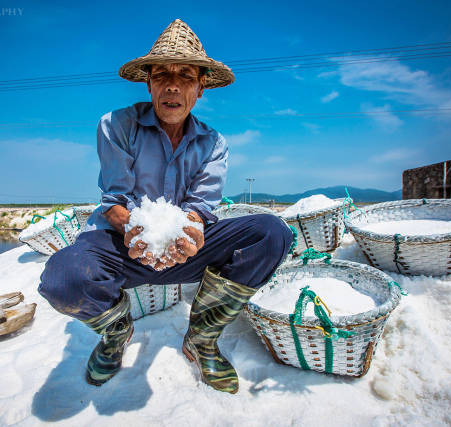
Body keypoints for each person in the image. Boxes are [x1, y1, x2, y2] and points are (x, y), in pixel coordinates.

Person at [38, 19, 293, 394]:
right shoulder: (116, 125)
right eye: (162, 75)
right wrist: (137, 231)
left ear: (201, 87)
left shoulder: (213, 144)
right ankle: (115, 334)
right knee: (63, 280)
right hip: (122, 245)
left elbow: (200, 208)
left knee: (272, 233)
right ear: (149, 83)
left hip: (187, 248)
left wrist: (187, 234)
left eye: (186, 76)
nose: (172, 85)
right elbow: (114, 201)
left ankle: (202, 338)